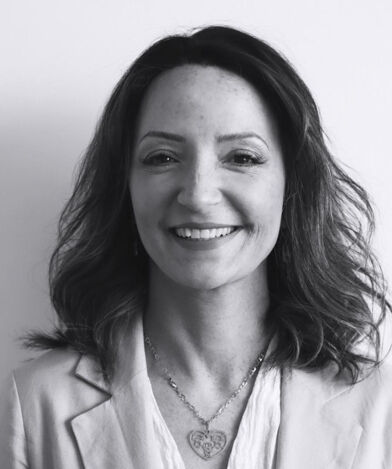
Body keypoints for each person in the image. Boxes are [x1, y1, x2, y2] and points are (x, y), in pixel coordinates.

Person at [1, 25, 391, 469]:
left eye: (242, 157)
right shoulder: (38, 403)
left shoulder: (380, 407)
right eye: (162, 157)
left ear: (292, 185)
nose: (199, 195)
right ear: (124, 186)